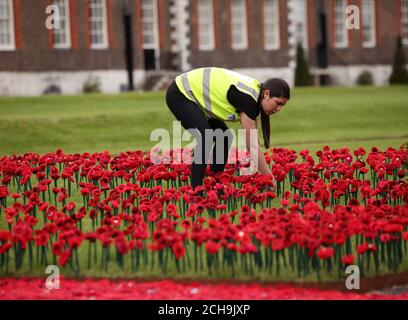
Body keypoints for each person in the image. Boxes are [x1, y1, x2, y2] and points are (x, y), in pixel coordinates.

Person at [165, 67, 290, 191]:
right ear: (266, 94)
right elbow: (252, 147)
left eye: (282, 105)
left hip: (196, 96)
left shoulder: (255, 98)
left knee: (224, 136)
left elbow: (254, 144)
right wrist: (269, 177)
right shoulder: (249, 100)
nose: (279, 108)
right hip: (180, 94)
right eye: (278, 103)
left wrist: (263, 174)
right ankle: (196, 194)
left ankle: (216, 186)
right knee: (206, 137)